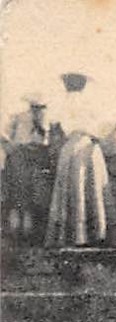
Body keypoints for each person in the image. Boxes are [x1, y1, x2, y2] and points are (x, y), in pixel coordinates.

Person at [45, 73, 112, 247]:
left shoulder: (63, 103)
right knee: (88, 188)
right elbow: (105, 125)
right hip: (87, 146)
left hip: (71, 147)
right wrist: (94, 135)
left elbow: (56, 124)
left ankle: (74, 235)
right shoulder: (89, 103)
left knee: (73, 189)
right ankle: (92, 233)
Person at [3, 93, 56, 244]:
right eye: (36, 107)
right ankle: (17, 234)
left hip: (39, 157)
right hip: (21, 157)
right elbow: (4, 136)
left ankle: (34, 234)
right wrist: (13, 149)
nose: (39, 111)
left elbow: (49, 141)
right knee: (19, 195)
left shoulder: (49, 121)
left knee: (38, 196)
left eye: (42, 107)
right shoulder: (18, 118)